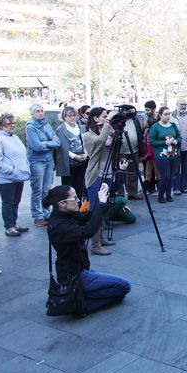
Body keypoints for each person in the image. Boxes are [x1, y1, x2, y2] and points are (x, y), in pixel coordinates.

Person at [45, 183, 131, 315]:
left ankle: (80, 296)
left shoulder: (65, 213)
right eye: (74, 198)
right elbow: (88, 231)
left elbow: (87, 217)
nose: (78, 200)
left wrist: (102, 199)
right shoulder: (59, 226)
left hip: (80, 268)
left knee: (116, 288)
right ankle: (80, 305)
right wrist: (101, 205)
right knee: (124, 286)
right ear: (62, 203)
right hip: (75, 275)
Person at [82, 107, 118, 256]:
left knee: (102, 208)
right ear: (96, 119)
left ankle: (101, 238)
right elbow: (100, 142)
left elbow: (116, 145)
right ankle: (95, 244)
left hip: (108, 174)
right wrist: (109, 122)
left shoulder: (106, 131)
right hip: (96, 176)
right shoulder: (87, 136)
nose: (107, 118)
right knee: (95, 210)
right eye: (104, 116)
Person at [0, 114, 31, 237]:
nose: (12, 125)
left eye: (13, 122)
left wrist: (24, 167)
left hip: (19, 176)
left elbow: (22, 155)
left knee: (16, 201)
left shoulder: (15, 137)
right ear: (1, 126)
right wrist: (11, 170)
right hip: (6, 178)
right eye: (8, 123)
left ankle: (14, 223)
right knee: (8, 202)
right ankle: (9, 227)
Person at [26, 104, 61, 227]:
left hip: (48, 160)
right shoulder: (30, 127)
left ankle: (46, 213)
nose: (40, 113)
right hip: (37, 161)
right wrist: (50, 143)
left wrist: (45, 143)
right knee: (37, 189)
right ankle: (37, 216)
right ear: (32, 114)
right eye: (37, 111)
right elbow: (36, 146)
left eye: (42, 111)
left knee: (47, 189)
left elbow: (58, 142)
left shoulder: (47, 125)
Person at [148, 106, 181, 203]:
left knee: (171, 176)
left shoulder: (173, 125)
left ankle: (168, 195)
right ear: (160, 115)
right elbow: (151, 142)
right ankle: (161, 195)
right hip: (161, 155)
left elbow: (179, 137)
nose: (168, 116)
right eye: (165, 114)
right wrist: (163, 143)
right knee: (165, 175)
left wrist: (176, 141)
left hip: (173, 153)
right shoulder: (155, 127)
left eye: (169, 114)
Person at [55, 106, 88, 201]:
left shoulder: (81, 127)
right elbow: (62, 147)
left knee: (80, 186)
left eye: (74, 115)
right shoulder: (61, 129)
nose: (72, 118)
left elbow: (85, 142)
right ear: (64, 117)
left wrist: (85, 153)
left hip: (81, 161)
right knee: (68, 187)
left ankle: (78, 206)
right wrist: (75, 156)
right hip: (68, 163)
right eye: (69, 116)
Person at [116, 106, 145, 199]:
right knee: (120, 172)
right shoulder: (118, 120)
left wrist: (141, 152)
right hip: (120, 151)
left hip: (134, 150)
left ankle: (132, 193)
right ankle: (120, 194)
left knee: (133, 173)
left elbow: (140, 134)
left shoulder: (135, 120)